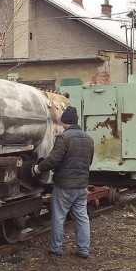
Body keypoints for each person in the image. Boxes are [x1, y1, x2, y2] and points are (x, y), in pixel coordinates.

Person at [33, 106, 94, 258]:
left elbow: (53, 160)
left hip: (64, 186)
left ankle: (56, 248)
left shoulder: (63, 138)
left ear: (64, 122)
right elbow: (89, 161)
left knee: (59, 217)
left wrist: (37, 169)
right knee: (82, 218)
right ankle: (83, 250)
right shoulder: (88, 139)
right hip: (81, 185)